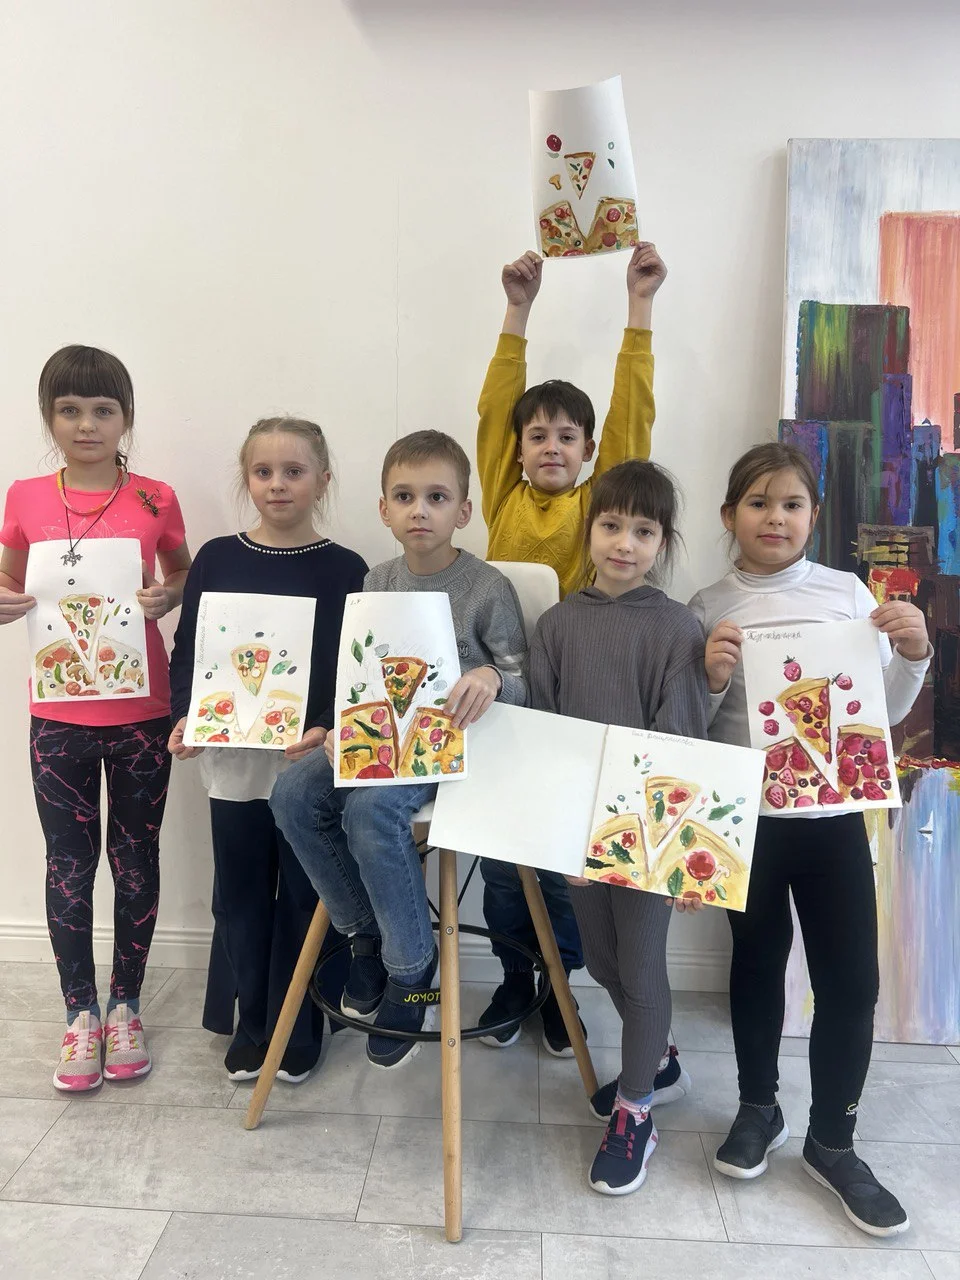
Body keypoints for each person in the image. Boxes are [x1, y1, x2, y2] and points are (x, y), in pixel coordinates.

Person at [689, 442, 931, 1237]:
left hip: (832, 823)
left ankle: (834, 1141)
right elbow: (689, 725)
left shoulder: (847, 593)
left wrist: (913, 654)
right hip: (748, 822)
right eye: (758, 503)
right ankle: (759, 1107)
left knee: (851, 982)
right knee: (755, 967)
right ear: (730, 516)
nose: (775, 518)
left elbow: (882, 713)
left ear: (813, 516)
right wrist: (710, 679)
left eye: (791, 504)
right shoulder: (704, 605)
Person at [474, 246, 684, 1070]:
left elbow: (634, 419)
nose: (551, 446)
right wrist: (516, 311)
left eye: (568, 436)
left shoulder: (602, 504)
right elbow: (494, 407)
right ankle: (515, 982)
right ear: (518, 449)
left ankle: (561, 992)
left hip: (577, 709)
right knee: (504, 865)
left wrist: (641, 307)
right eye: (537, 436)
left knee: (567, 864)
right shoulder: (501, 495)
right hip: (500, 707)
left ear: (591, 450)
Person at [270, 430, 527, 1068]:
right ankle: (365, 935)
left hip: (454, 747)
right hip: (379, 738)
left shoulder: (488, 587)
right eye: (405, 497)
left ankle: (411, 970)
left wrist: (491, 677)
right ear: (384, 509)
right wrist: (332, 727)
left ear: (463, 511)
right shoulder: (376, 580)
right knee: (293, 793)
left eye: (437, 497)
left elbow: (524, 683)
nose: (420, 511)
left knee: (370, 809)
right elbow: (358, 675)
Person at [0, 345, 191, 1091]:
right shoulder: (23, 497)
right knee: (69, 862)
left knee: (135, 858)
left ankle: (125, 1005)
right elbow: (7, 575)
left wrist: (168, 596)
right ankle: (79, 1014)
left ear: (126, 417)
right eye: (70, 410)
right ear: (49, 417)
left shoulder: (155, 498)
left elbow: (181, 572)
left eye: (103, 410)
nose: (86, 424)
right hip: (58, 715)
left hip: (143, 710)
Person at [167, 418, 367, 1083]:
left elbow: (353, 671)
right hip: (232, 765)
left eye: (294, 471)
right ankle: (253, 1022)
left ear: (323, 481)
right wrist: (185, 716)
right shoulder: (217, 558)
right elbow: (190, 649)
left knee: (307, 897)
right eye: (263, 472)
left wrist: (324, 727)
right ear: (246, 479)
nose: (277, 484)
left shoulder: (348, 569)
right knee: (240, 894)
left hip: (304, 766)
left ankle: (298, 1026)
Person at [530, 459, 708, 1195]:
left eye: (643, 530)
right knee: (601, 961)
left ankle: (637, 1110)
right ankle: (658, 1060)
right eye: (611, 525)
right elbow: (544, 732)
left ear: (662, 541)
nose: (624, 543)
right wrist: (563, 834)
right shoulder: (556, 624)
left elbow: (682, 740)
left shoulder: (677, 628)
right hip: (575, 830)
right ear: (589, 528)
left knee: (639, 968)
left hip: (646, 835)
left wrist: (669, 852)